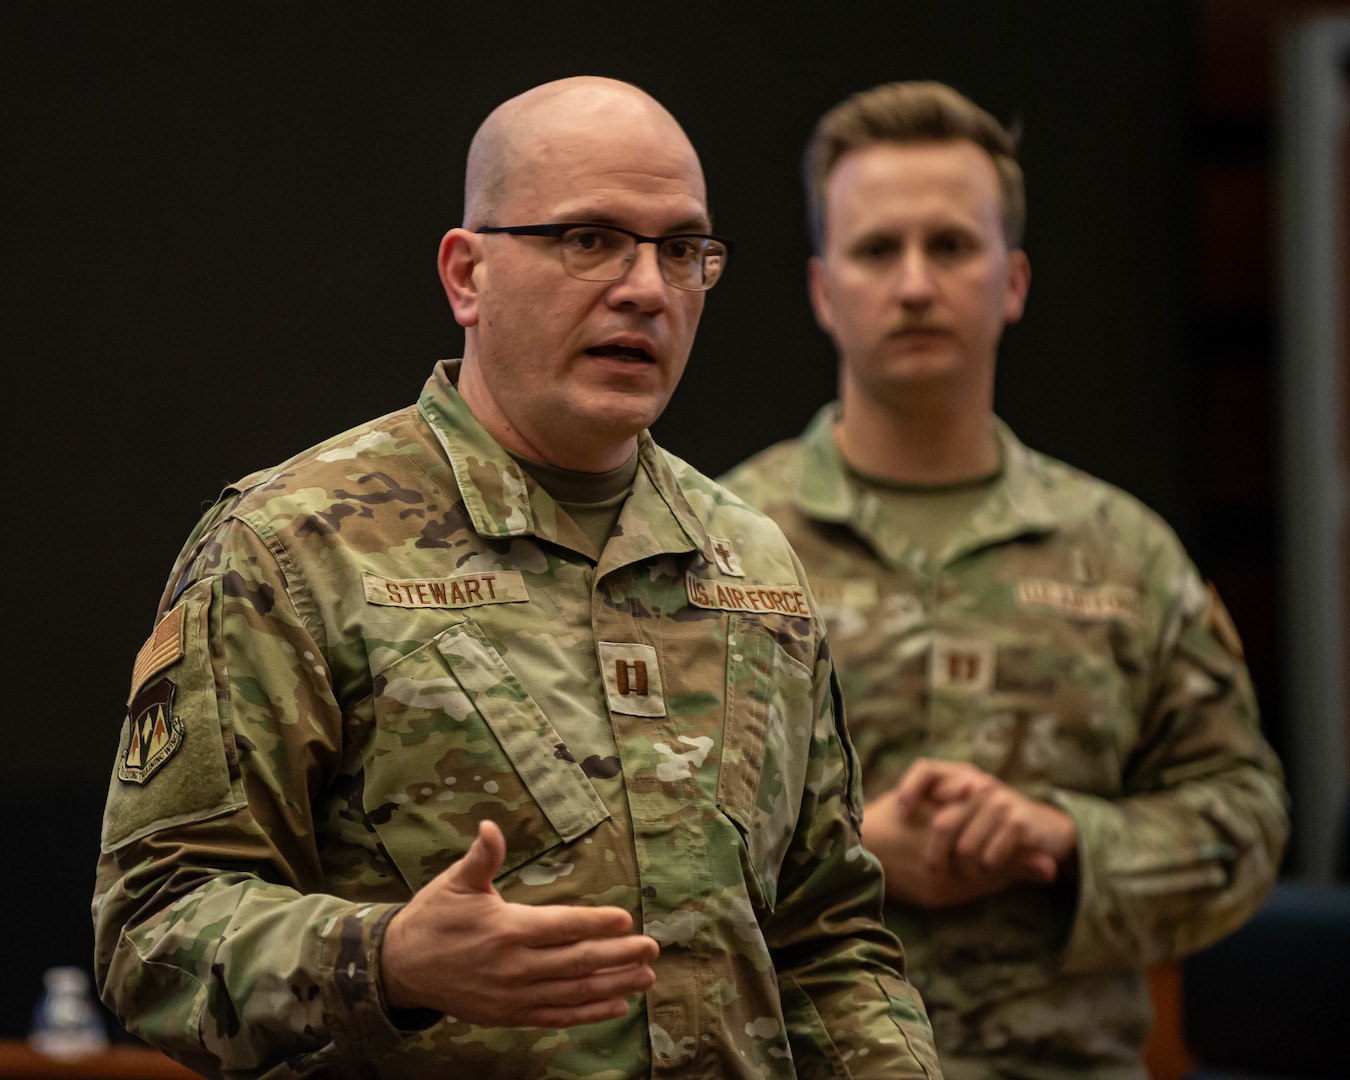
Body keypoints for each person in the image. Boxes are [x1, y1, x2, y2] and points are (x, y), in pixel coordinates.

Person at [92, 77, 942, 1079]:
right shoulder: (295, 546)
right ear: (468, 275)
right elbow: (153, 930)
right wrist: (390, 961)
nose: (645, 288)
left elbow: (827, 940)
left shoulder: (749, 561)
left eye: (681, 251)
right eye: (589, 240)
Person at [720, 80, 1289, 1079]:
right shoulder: (718, 547)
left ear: (1014, 280)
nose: (913, 283)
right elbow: (628, 852)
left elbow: (1245, 818)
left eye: (951, 246)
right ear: (821, 289)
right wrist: (845, 858)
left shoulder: (1125, 553)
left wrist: (1062, 837)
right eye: (875, 249)